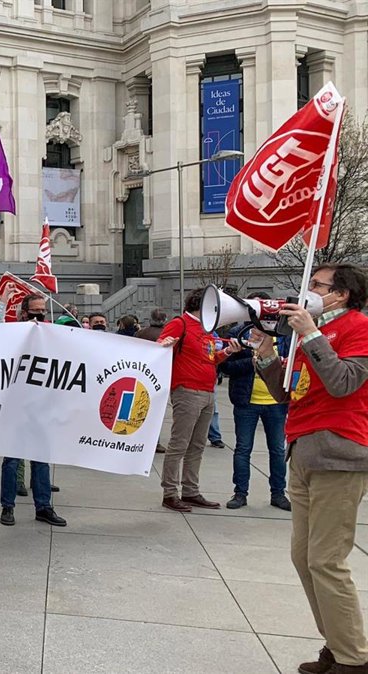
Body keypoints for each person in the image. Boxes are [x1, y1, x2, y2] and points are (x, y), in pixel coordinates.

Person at [252, 264, 368, 674]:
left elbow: (344, 382)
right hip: (303, 451)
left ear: (341, 294)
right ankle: (339, 644)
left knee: (326, 560)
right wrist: (267, 353)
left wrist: (312, 335)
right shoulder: (309, 335)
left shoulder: (359, 327)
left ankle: (353, 659)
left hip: (340, 453)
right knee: (304, 558)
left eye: (316, 285)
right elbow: (287, 393)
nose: (308, 290)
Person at [157, 288, 238, 512]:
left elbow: (209, 359)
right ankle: (170, 492)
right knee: (179, 444)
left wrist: (227, 353)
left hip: (206, 391)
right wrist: (164, 344)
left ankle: (190, 490)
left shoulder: (206, 328)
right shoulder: (180, 323)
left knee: (197, 445)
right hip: (187, 390)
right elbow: (160, 347)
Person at [0, 295, 68, 528]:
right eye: (35, 310)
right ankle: (7, 506)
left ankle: (43, 507)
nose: (40, 314)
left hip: (42, 406)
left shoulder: (51, 334)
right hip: (16, 407)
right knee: (12, 460)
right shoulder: (13, 333)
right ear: (24, 312)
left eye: (43, 310)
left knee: (41, 460)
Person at [218, 294, 290, 511]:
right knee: (243, 449)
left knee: (277, 450)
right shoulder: (237, 333)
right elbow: (226, 367)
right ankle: (240, 493)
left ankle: (278, 493)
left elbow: (290, 364)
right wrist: (253, 361)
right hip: (246, 401)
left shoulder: (284, 334)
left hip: (276, 402)